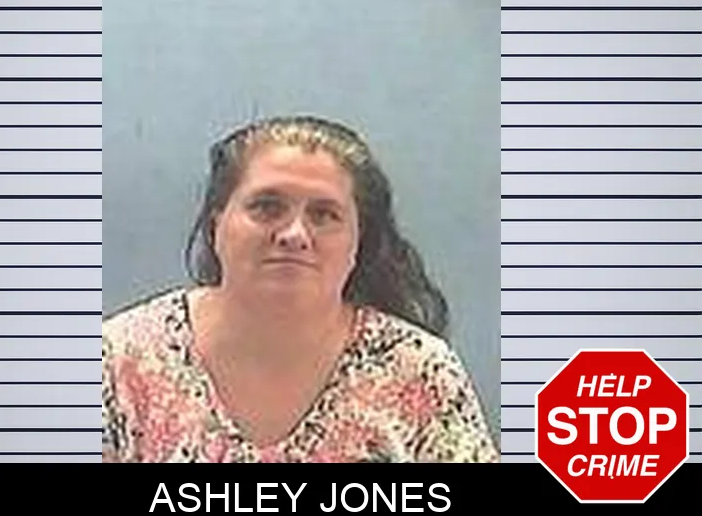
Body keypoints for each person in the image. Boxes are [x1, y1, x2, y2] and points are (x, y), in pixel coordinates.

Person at [102, 115, 499, 463]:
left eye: (324, 215)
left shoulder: (419, 371)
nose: (294, 234)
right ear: (216, 227)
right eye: (267, 207)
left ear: (358, 243)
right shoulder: (121, 360)